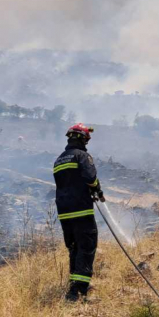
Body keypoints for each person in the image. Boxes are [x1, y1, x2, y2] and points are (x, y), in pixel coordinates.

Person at [53, 123, 104, 302]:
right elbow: (90, 178)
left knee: (74, 248)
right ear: (83, 139)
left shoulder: (59, 159)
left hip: (64, 212)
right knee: (87, 247)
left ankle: (74, 286)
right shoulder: (82, 156)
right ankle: (78, 291)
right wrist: (97, 189)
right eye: (86, 139)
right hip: (81, 209)